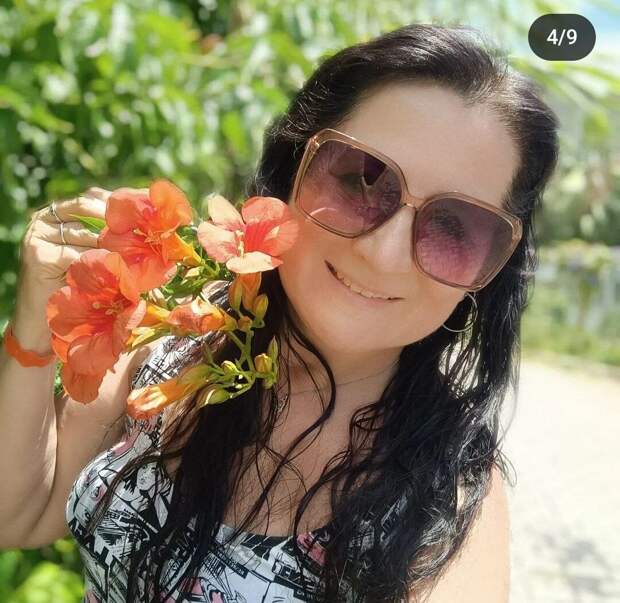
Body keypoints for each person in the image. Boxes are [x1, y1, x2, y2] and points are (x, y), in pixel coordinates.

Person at [0, 22, 559, 603]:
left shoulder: (452, 498)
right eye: (360, 181)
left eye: (454, 227)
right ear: (292, 171)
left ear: (492, 267)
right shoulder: (169, 340)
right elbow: (17, 516)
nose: (383, 253)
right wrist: (37, 327)